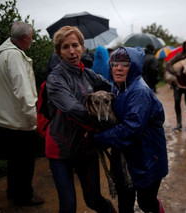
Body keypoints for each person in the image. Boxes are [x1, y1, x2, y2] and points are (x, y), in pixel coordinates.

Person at [45, 26, 116, 213]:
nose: (71, 51)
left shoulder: (87, 73)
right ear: (59, 52)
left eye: (75, 45)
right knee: (68, 206)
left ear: (82, 47)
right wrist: (102, 122)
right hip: (61, 148)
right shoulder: (55, 78)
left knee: (94, 200)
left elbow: (111, 88)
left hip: (86, 147)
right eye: (65, 47)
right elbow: (71, 108)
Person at [93, 47, 168, 213]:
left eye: (125, 64)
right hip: (126, 158)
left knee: (146, 203)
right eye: (115, 63)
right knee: (125, 205)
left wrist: (98, 139)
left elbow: (130, 129)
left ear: (133, 66)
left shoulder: (139, 91)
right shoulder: (117, 88)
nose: (119, 68)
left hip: (148, 157)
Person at [0, 21, 45, 206]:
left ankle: (13, 192)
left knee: (14, 161)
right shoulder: (14, 57)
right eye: (31, 37)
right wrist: (34, 120)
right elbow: (23, 93)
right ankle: (24, 196)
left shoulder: (2, 54)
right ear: (25, 37)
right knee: (24, 162)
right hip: (19, 121)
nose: (31, 41)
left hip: (6, 119)